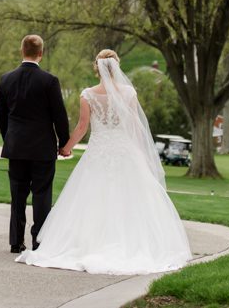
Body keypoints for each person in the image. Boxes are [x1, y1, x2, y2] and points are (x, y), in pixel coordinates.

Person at [16, 49, 192, 275]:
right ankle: (132, 245)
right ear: (117, 67)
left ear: (96, 68)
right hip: (125, 152)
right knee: (130, 199)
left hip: (98, 153)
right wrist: (143, 155)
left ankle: (88, 244)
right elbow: (135, 127)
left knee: (92, 196)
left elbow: (82, 127)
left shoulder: (88, 94)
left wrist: (66, 148)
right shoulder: (128, 93)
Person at [0, 34, 70, 254]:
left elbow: (1, 115)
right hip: (42, 149)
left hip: (16, 146)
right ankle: (39, 240)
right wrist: (64, 143)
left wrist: (9, 138)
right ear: (41, 53)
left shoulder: (6, 79)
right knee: (42, 195)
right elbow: (60, 116)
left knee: (17, 195)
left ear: (22, 51)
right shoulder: (49, 81)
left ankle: (15, 241)